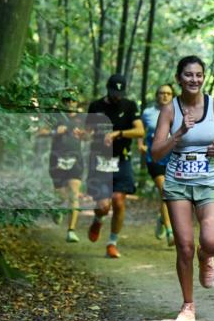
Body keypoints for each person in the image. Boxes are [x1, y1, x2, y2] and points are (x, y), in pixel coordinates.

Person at [150, 56, 214, 321]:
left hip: (208, 180)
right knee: (184, 246)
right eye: (188, 75)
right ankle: (188, 305)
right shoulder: (170, 110)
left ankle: (206, 257)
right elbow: (155, 153)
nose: (194, 79)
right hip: (178, 182)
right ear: (179, 78)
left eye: (198, 75)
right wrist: (178, 134)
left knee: (211, 242)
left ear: (203, 78)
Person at [86, 74, 144, 258]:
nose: (117, 96)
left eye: (120, 93)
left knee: (118, 200)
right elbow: (87, 132)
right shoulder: (96, 106)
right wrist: (83, 134)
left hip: (121, 160)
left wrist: (118, 134)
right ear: (107, 89)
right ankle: (98, 219)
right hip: (100, 160)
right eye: (114, 92)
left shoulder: (130, 106)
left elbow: (140, 131)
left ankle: (112, 243)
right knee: (103, 206)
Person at [42, 91, 87, 242]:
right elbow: (40, 132)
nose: (70, 103)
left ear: (77, 101)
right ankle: (56, 208)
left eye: (73, 100)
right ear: (63, 101)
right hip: (57, 159)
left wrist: (84, 135)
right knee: (60, 196)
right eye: (67, 100)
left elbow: (90, 135)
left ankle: (71, 231)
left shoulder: (82, 118)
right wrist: (55, 131)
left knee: (74, 194)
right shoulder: (56, 116)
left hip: (76, 159)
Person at [140, 84, 175, 246]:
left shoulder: (178, 112)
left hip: (173, 158)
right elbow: (140, 130)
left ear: (172, 96)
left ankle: (162, 218)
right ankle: (169, 232)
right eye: (162, 93)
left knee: (169, 194)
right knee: (165, 191)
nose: (165, 96)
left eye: (168, 93)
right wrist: (140, 144)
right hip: (154, 157)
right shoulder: (148, 113)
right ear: (157, 95)